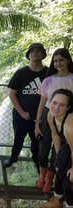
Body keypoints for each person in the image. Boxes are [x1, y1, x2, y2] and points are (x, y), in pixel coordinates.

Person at [3, 43, 47, 170]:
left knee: (37, 141)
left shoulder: (48, 73)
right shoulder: (21, 73)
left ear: (43, 55)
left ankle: (37, 161)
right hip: (20, 114)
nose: (35, 53)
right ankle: (13, 157)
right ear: (28, 55)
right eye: (32, 51)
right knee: (18, 138)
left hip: (39, 116)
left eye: (38, 51)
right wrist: (22, 112)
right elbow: (12, 94)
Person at [35, 48, 73, 193]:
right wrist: (37, 123)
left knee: (61, 148)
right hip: (48, 114)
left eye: (61, 60)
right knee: (44, 145)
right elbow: (41, 102)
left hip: (67, 117)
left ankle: (51, 176)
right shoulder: (48, 80)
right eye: (55, 61)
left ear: (68, 60)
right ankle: (42, 173)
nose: (58, 63)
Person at [41, 89, 73, 208]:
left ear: (68, 107)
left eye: (62, 105)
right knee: (58, 168)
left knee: (69, 181)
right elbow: (55, 134)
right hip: (68, 145)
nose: (56, 107)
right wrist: (59, 157)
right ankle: (57, 200)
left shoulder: (70, 125)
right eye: (54, 103)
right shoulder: (51, 115)